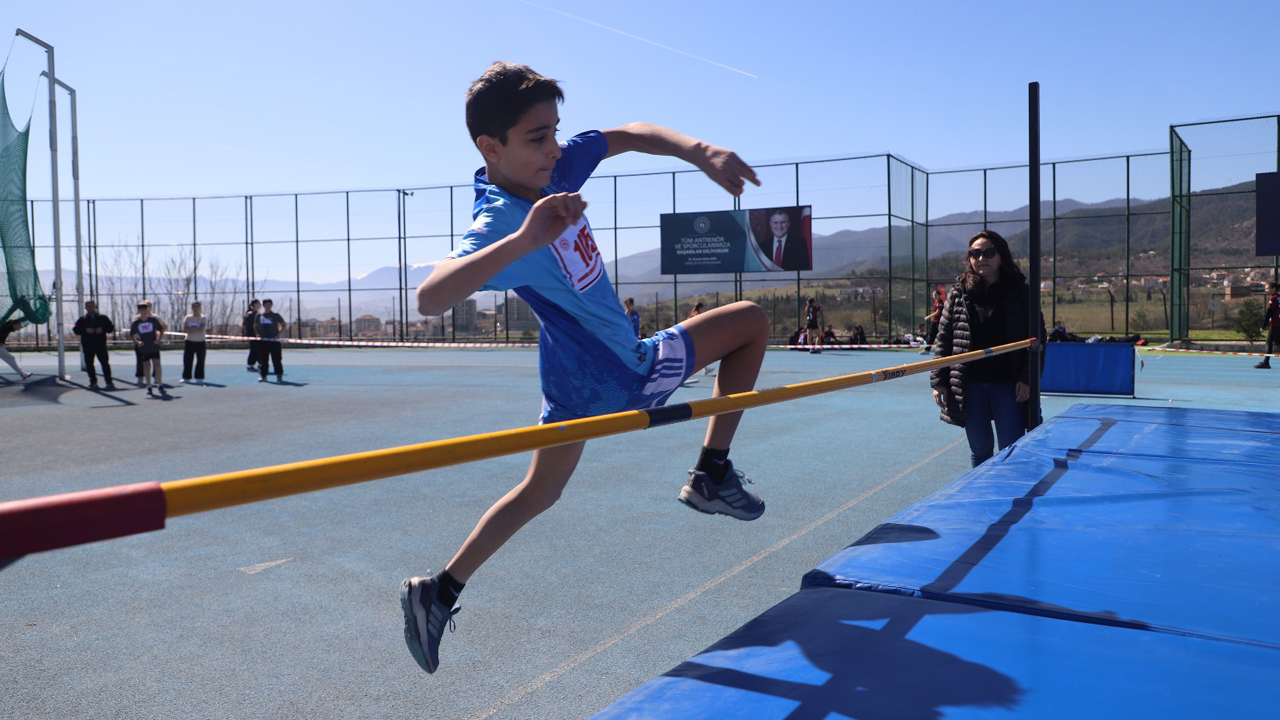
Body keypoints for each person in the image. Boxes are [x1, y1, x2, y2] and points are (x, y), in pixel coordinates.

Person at [401, 61, 769, 676]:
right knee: (753, 321)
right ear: (490, 147)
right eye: (537, 138)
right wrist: (525, 240)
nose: (553, 148)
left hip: (573, 377)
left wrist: (699, 150)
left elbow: (627, 134)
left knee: (540, 492)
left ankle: (438, 590)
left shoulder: (558, 167)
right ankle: (711, 471)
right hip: (621, 374)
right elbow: (430, 298)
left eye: (554, 131)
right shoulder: (497, 221)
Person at [931, 230, 1045, 467]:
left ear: (1001, 255)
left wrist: (1027, 379)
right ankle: (982, 500)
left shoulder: (1021, 292)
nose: (981, 258)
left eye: (988, 252)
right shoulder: (958, 293)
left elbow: (1038, 341)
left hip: (1009, 386)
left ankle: (1012, 496)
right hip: (971, 386)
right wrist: (939, 381)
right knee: (980, 450)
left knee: (1011, 449)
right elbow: (944, 339)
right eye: (975, 253)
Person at [73, 300, 115, 389]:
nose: (90, 308)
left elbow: (110, 328)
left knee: (105, 363)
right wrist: (85, 330)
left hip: (100, 345)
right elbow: (76, 330)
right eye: (88, 306)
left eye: (92, 306)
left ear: (95, 307)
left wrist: (102, 329)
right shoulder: (83, 320)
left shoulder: (103, 318)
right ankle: (93, 381)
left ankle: (109, 381)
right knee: (89, 364)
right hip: (88, 345)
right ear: (86, 308)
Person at [129, 301, 167, 396]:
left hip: (153, 346)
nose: (144, 312)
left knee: (157, 364)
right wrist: (138, 342)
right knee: (146, 366)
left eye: (145, 310)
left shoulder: (153, 320)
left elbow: (161, 329)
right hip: (144, 347)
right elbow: (132, 334)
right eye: (141, 310)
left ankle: (159, 383)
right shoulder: (136, 322)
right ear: (138, 311)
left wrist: (158, 339)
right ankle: (148, 385)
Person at [253, 298, 287, 382]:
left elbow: (283, 325)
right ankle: (263, 376)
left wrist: (278, 334)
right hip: (263, 342)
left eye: (269, 304)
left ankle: (279, 375)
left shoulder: (275, 315)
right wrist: (257, 333)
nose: (267, 306)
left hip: (274, 342)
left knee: (276, 359)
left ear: (271, 305)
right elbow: (255, 325)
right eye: (266, 304)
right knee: (263, 360)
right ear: (263, 306)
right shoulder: (259, 316)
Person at [181, 301, 209, 384]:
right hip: (189, 341)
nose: (195, 309)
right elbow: (185, 330)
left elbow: (201, 329)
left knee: (200, 361)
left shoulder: (203, 318)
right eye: (194, 307)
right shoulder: (188, 318)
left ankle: (199, 378)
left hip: (200, 341)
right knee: (187, 360)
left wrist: (191, 330)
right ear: (191, 308)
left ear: (200, 308)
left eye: (197, 307)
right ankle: (186, 377)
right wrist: (194, 330)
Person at [1257, 281, 1279, 369]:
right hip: (1278, 323)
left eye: (1267, 288)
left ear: (1273, 289)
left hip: (1275, 324)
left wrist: (1263, 326)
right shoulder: (1279, 298)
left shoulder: (1273, 299)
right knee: (1274, 342)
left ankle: (1266, 362)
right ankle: (1266, 362)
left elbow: (1269, 313)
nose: (1266, 290)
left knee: (1270, 342)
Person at [243, 299, 261, 372]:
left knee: (260, 350)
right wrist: (253, 334)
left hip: (259, 336)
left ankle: (260, 363)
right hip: (253, 335)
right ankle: (250, 364)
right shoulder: (251, 314)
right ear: (254, 305)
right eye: (258, 303)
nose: (260, 305)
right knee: (254, 350)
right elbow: (249, 326)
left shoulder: (259, 314)